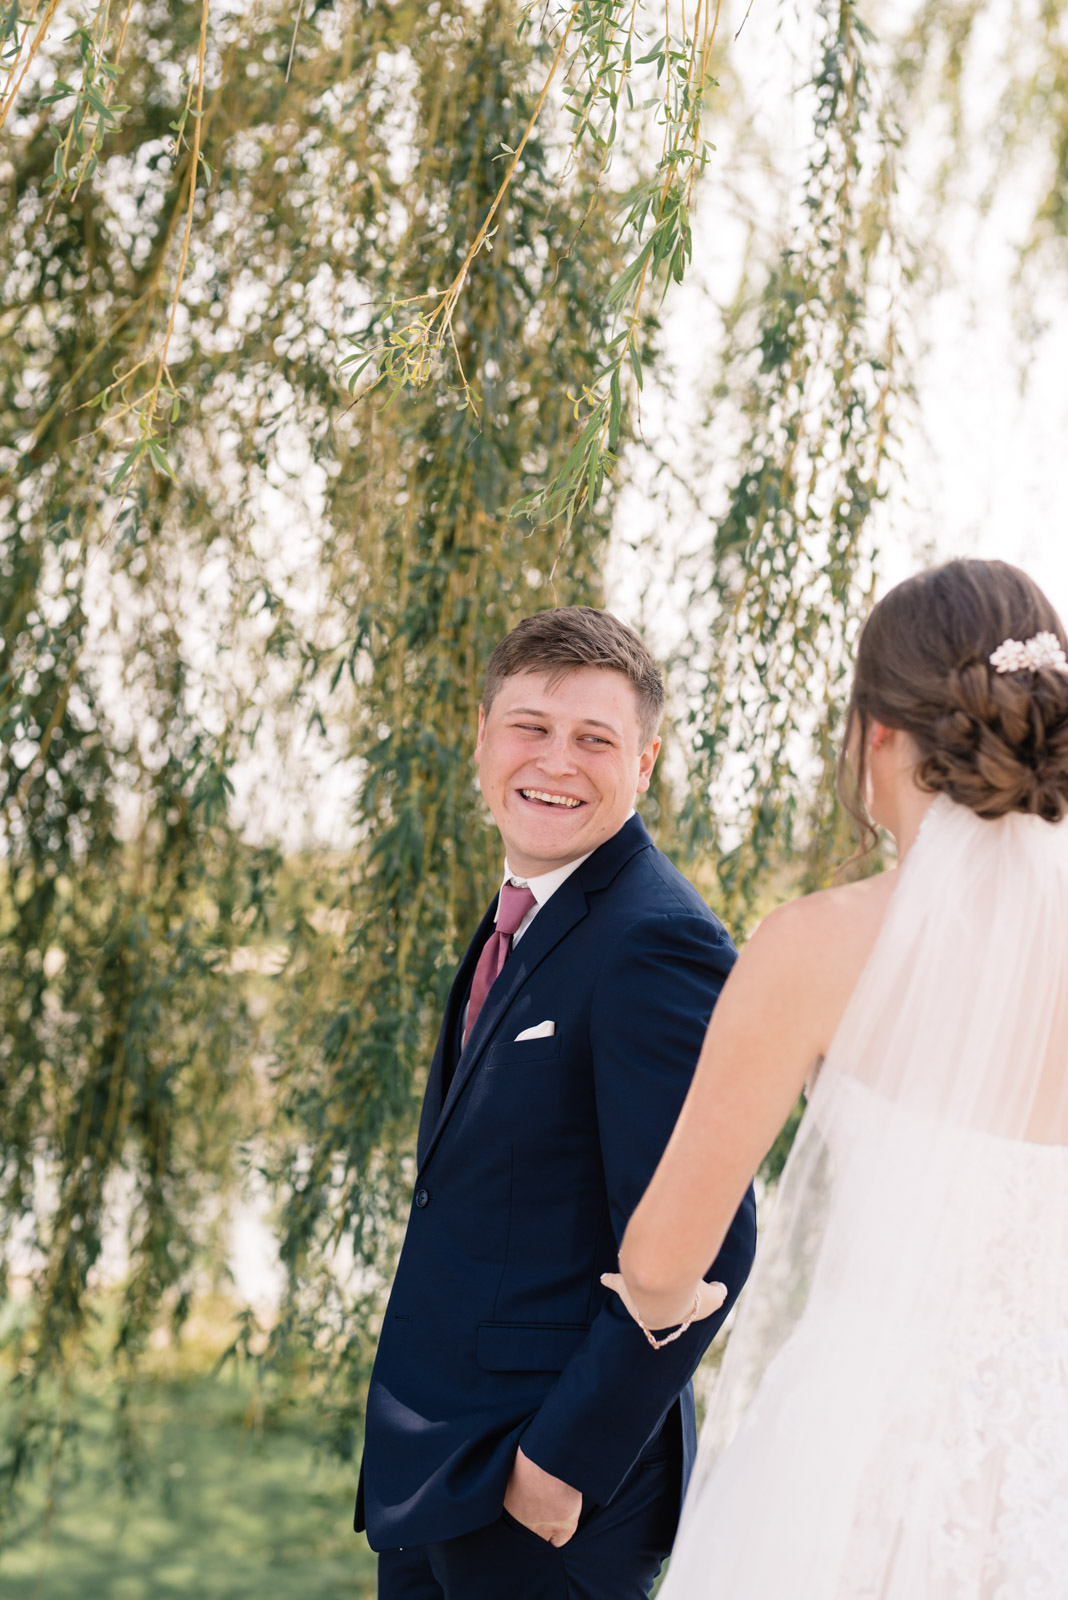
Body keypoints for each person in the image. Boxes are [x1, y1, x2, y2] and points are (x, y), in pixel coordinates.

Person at [603, 558, 1068, 1596]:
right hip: (1049, 1464)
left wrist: (650, 1272)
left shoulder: (818, 947)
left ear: (879, 734)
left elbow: (666, 1257)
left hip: (856, 1458)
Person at [354, 605, 757, 1599]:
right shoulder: (526, 914)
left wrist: (561, 1463)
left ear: (646, 763)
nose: (556, 761)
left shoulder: (655, 942)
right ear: (484, 738)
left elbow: (709, 1239)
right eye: (531, 726)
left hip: (544, 1503)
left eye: (595, 738)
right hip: (438, 1474)